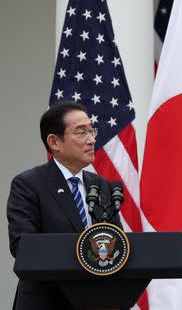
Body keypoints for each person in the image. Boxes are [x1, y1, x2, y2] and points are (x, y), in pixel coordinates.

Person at [7, 101, 119, 310]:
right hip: (47, 301)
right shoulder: (28, 184)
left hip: (99, 302)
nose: (92, 139)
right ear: (54, 142)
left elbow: (116, 242)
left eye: (91, 131)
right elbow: (23, 246)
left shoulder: (101, 185)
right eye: (81, 133)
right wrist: (84, 253)